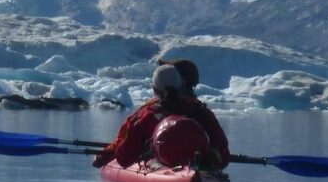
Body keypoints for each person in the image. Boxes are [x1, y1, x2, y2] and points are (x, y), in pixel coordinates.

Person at [93, 63, 230, 170]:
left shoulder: (148, 114)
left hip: (160, 169)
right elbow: (224, 156)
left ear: (155, 90)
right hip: (198, 168)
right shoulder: (202, 112)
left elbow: (124, 158)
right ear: (181, 85)